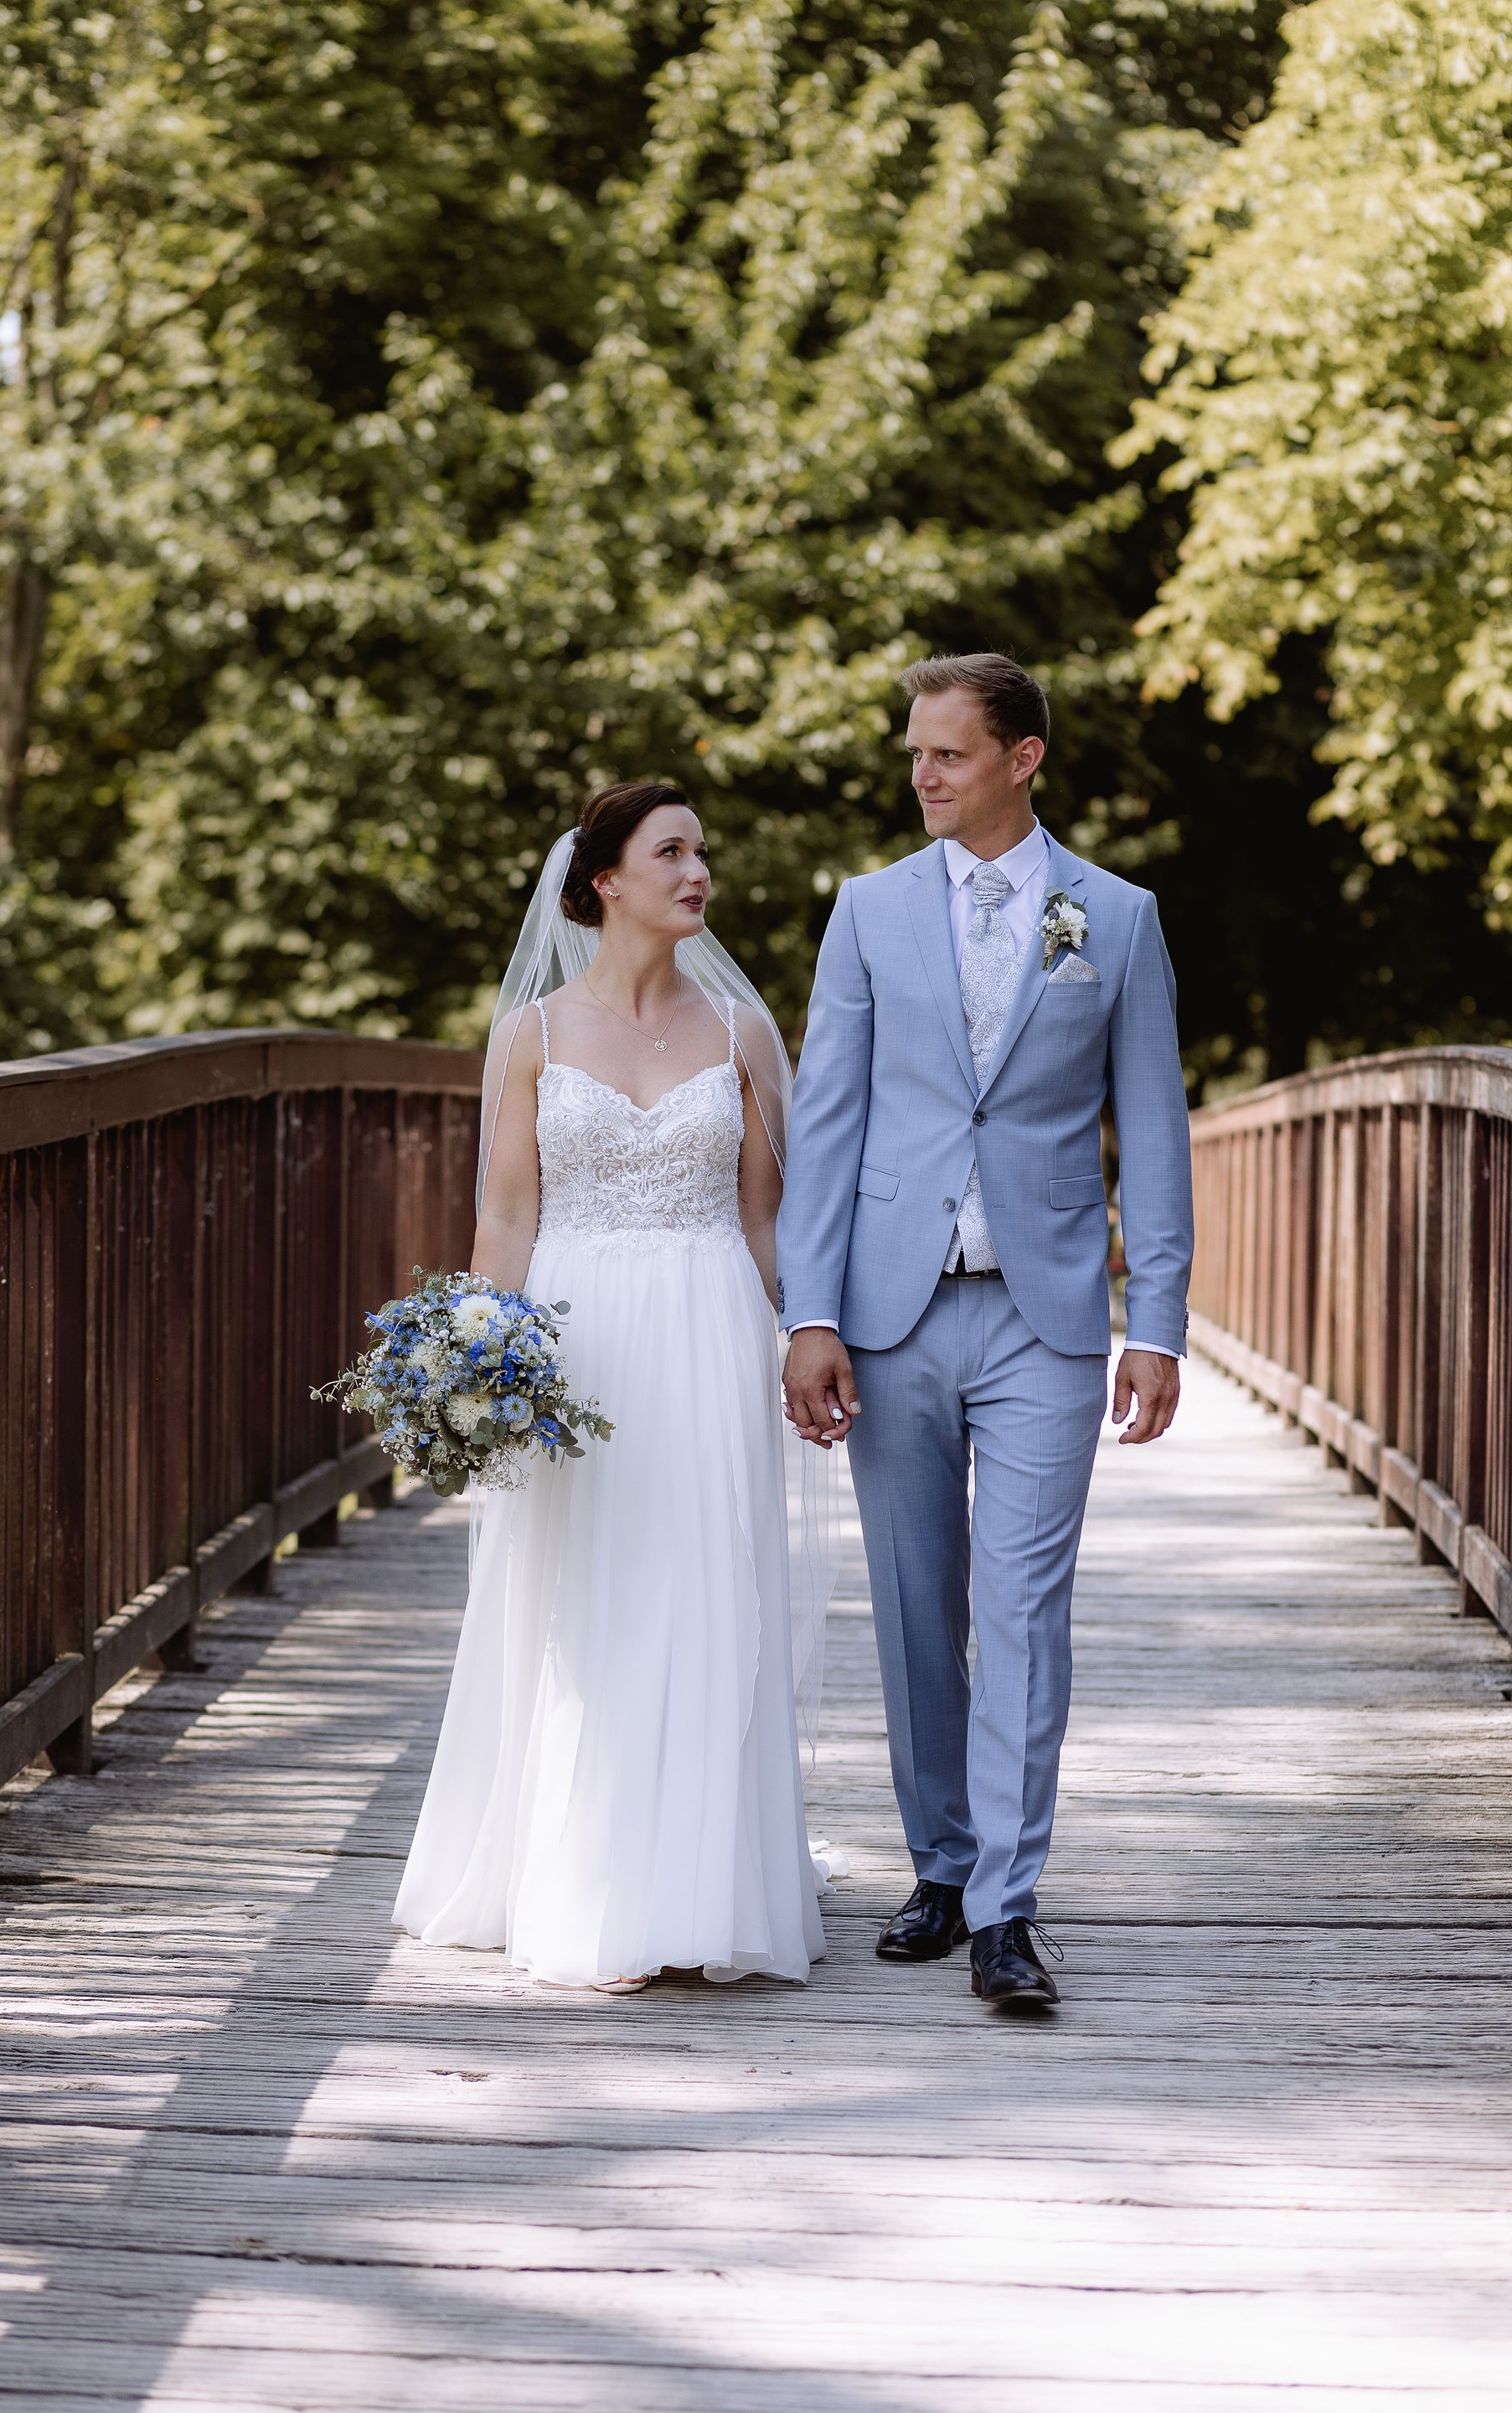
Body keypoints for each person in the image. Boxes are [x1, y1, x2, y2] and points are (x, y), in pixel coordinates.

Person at [778, 652, 1192, 2010]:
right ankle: (942, 1865)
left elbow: (1157, 1131)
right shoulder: (868, 913)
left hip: (1050, 1315)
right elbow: (827, 1124)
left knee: (1024, 1609)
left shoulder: (1115, 919)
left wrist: (1161, 1323)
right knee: (914, 1608)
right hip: (891, 1315)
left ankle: (1010, 1907)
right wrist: (813, 1312)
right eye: (914, 754)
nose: (922, 776)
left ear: (1023, 759)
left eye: (948, 754)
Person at [394, 781, 829, 1993]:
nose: (700, 873)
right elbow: (507, 1213)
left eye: (704, 852)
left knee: (702, 1600)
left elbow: (765, 1217)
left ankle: (702, 1886)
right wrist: (483, 1362)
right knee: (586, 1602)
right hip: (579, 1341)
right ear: (605, 883)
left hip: (707, 1333)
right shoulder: (532, 1034)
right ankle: (585, 1879)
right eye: (672, 852)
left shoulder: (741, 1033)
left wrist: (797, 1341)